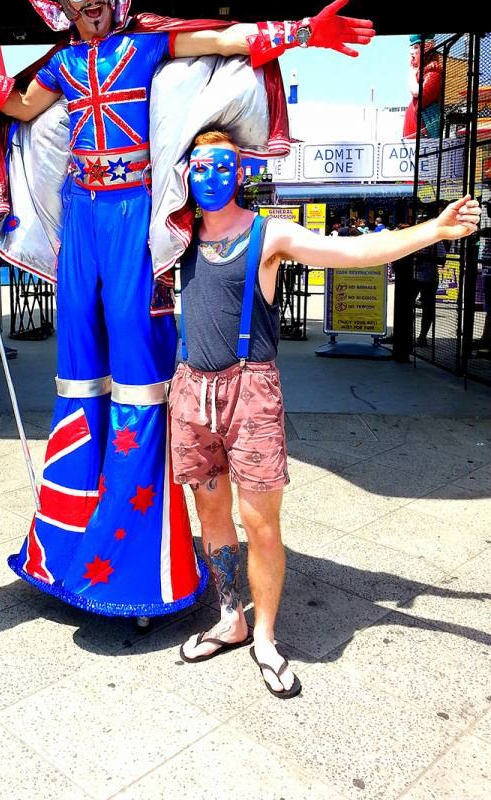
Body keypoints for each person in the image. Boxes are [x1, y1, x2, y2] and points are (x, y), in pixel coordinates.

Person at [0, 0, 374, 618]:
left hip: (132, 209)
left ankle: (136, 547)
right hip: (80, 213)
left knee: (137, 359)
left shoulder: (145, 47)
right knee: (77, 362)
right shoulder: (64, 65)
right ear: (60, 5)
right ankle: (70, 527)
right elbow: (18, 109)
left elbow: (223, 42)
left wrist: (304, 32)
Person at [170, 128, 479, 696]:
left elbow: (353, 251)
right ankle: (230, 617)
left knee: (260, 523)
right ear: (185, 173)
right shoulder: (173, 236)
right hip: (190, 393)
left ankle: (265, 636)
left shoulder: (269, 234)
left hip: (251, 392)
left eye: (221, 167)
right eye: (199, 167)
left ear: (240, 173)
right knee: (211, 516)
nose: (209, 177)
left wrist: (434, 230)